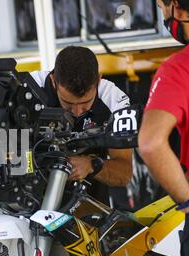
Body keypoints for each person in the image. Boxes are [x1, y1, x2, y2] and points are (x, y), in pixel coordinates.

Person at [138, 0, 189, 256]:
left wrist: (187, 199)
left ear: (178, 7)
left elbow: (150, 143)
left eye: (162, 6)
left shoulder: (181, 67)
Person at [31, 46, 133, 205]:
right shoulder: (29, 90)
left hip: (87, 210)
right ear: (53, 81)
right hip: (27, 203)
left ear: (99, 80)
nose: (77, 112)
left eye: (86, 103)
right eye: (68, 103)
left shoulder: (115, 100)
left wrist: (92, 165)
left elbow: (124, 173)